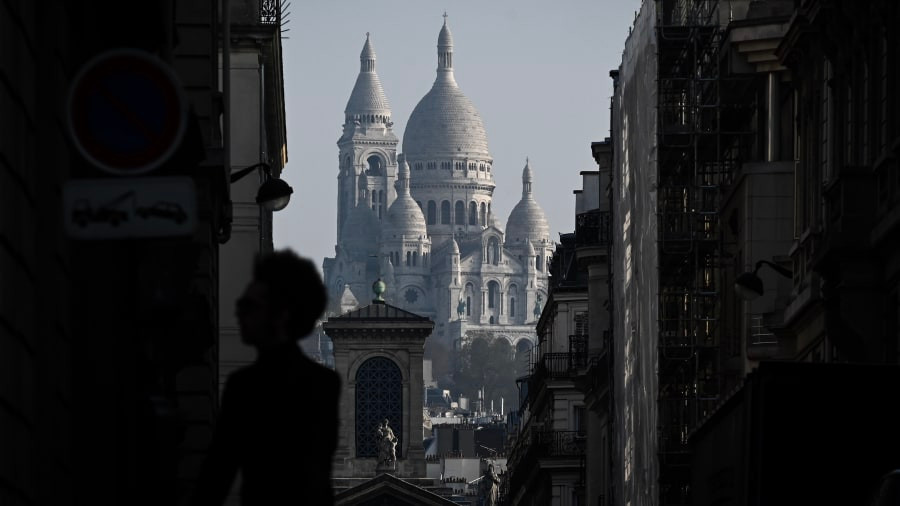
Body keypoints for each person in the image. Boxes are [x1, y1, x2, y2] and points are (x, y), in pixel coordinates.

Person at [192, 250, 340, 506]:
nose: (238, 313)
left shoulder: (245, 386)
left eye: (250, 306)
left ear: (281, 315)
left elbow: (217, 475)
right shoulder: (323, 383)